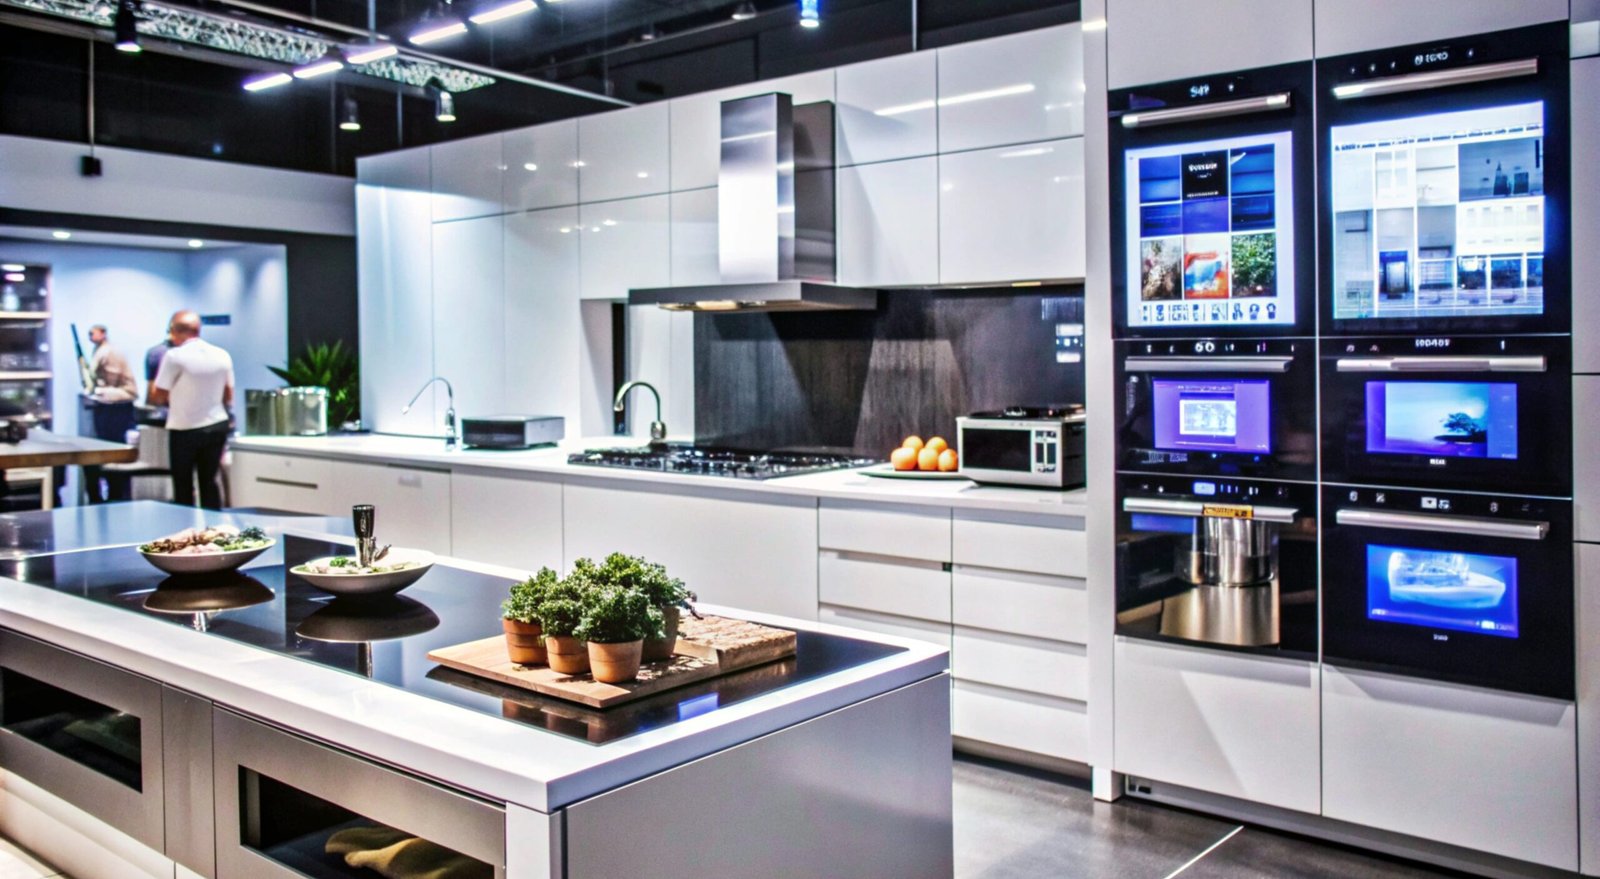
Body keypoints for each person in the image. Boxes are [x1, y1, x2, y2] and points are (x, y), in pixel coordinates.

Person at [149, 311, 234, 509]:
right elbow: (228, 395)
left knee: (183, 484)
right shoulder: (222, 354)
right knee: (209, 482)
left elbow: (158, 395)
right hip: (216, 425)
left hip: (184, 427)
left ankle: (185, 527)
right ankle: (214, 525)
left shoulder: (174, 356)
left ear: (174, 331)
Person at [81, 325, 139, 503]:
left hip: (116, 408)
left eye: (93, 333)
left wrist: (98, 391)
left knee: (112, 457)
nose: (90, 337)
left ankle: (113, 495)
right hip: (106, 408)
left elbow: (114, 380)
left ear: (103, 334)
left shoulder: (110, 352)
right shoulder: (100, 351)